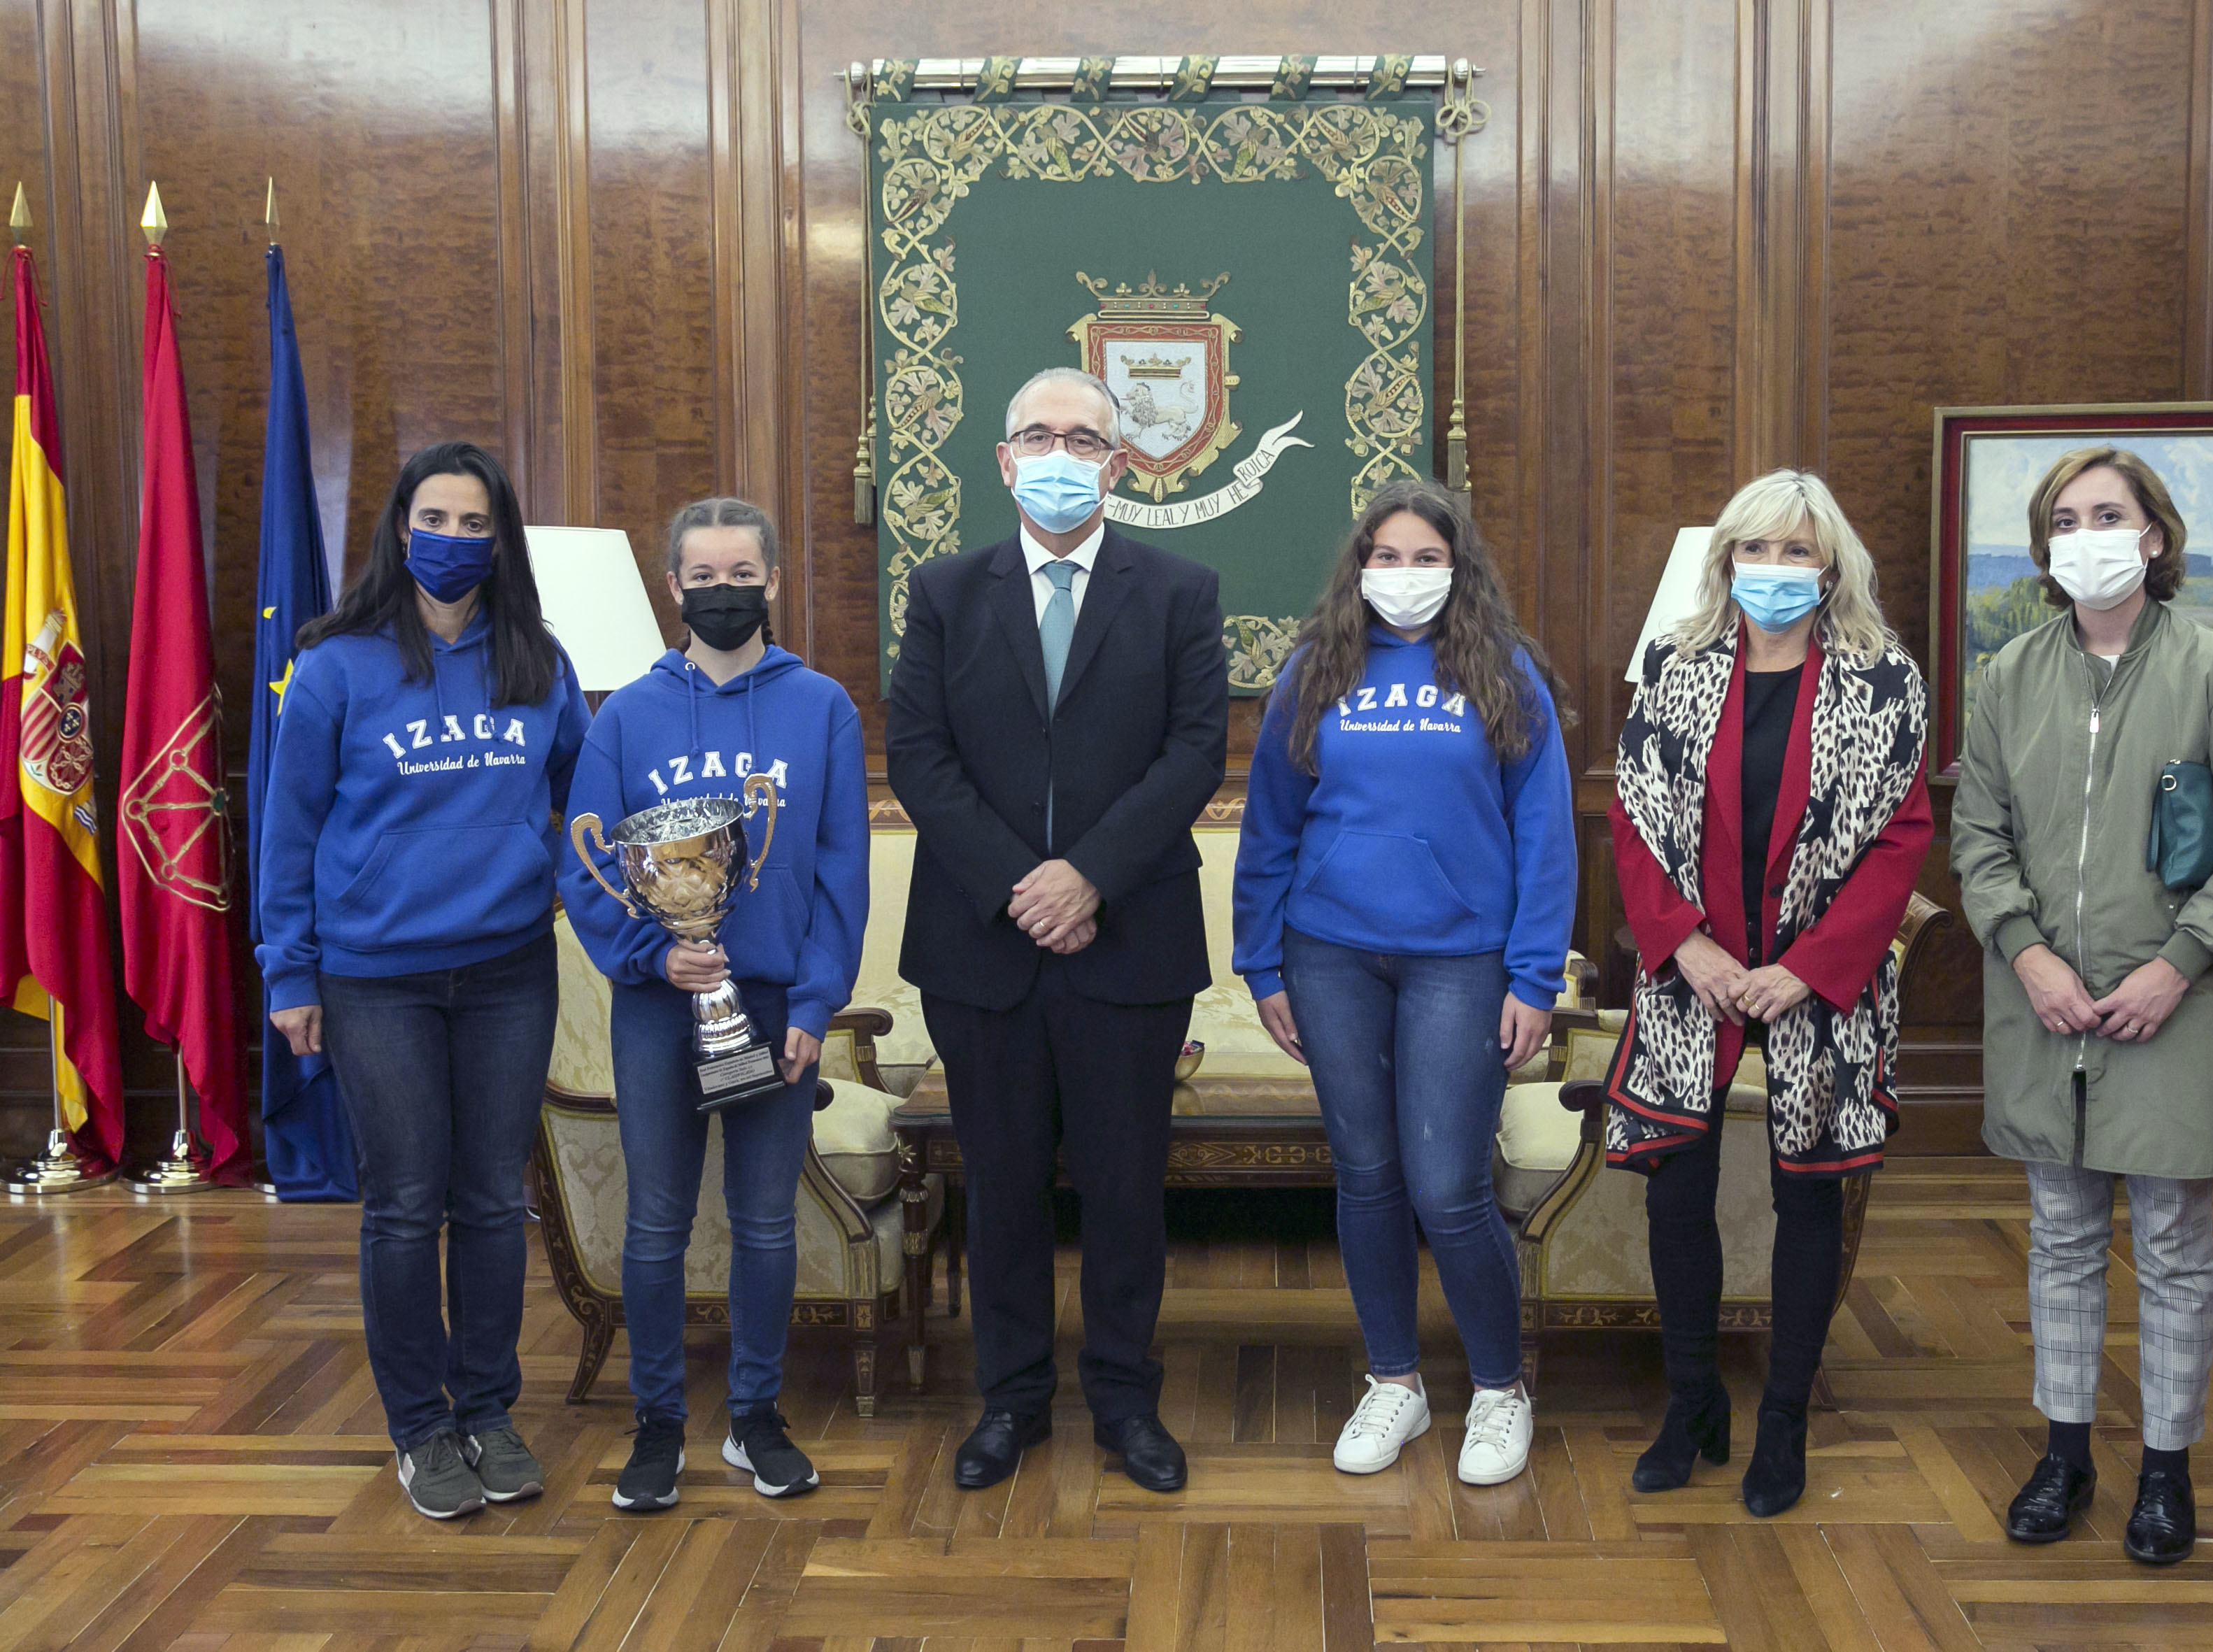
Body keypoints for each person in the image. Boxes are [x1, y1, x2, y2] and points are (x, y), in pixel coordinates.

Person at [1952, 447, 2213, 1565]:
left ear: (2154, 536)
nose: (2085, 535)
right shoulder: (2008, 677)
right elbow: (1978, 839)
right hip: (2045, 1009)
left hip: (2174, 1009)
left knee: (2173, 1246)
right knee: (2059, 1237)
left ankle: (2165, 1471)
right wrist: (2028, 955)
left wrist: (2178, 965)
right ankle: (2064, 1456)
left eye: (2108, 514)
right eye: (2064, 519)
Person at [885, 367, 1228, 1494]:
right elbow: (919, 756)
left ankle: (1127, 1402)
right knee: (1002, 1185)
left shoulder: (1180, 591)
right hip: (979, 944)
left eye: (1084, 439)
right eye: (1038, 435)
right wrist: (1021, 886)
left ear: (1119, 465)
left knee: (1127, 1191)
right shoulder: (943, 592)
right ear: (1004, 460)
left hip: (1131, 938)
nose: (1060, 454)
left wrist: (1087, 878)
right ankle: (1013, 1400)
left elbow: (1194, 752)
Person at [256, 441, 589, 1520]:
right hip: (375, 979)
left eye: (474, 523)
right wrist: (289, 972)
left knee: (491, 1200)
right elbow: (288, 830)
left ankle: (488, 1410)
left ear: (500, 539)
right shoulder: (335, 665)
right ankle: (420, 1427)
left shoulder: (537, 659)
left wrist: (556, 870)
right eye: (434, 519)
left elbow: (587, 795)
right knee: (404, 1204)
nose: (452, 538)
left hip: (507, 971)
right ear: (401, 528)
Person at [1232, 479, 1574, 1486]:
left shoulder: (1505, 673)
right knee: (1367, 1176)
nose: (1406, 574)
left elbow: (1545, 834)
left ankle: (1500, 1388)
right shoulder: (1315, 669)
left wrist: (1534, 976)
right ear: (1360, 566)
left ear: (1460, 570)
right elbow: (1269, 825)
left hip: (1461, 962)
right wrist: (1261, 961)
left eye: (1428, 558)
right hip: (1328, 954)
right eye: (1388, 556)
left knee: (1448, 1187)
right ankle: (1395, 1380)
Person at [1607, 469, 1932, 1517]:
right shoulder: (1676, 662)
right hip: (1692, 976)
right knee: (1675, 1188)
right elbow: (1632, 818)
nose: (1776, 568)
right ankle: (1692, 1402)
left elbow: (1900, 840)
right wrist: (1687, 947)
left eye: (1798, 550)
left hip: (1819, 984)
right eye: (1757, 548)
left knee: (1809, 1193)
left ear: (1831, 566)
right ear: (1727, 559)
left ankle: (1783, 1419)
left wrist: (1809, 967)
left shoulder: (1884, 680)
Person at [562, 497, 869, 1513]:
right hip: (661, 1007)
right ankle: (658, 1424)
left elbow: (841, 870)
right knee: (656, 1223)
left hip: (776, 1004)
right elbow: (587, 863)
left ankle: (755, 1417)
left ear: (773, 581)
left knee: (766, 1222)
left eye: (742, 575)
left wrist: (817, 1002)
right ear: (675, 587)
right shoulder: (625, 715)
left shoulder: (822, 706)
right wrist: (654, 955)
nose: (723, 592)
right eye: (704, 577)